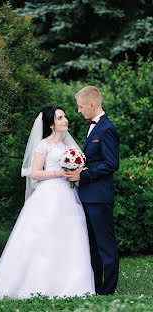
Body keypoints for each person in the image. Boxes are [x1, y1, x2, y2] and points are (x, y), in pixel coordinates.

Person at [0, 105, 95, 300]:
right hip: (48, 195)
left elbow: (79, 170)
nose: (65, 120)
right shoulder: (43, 145)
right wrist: (59, 172)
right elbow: (35, 173)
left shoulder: (70, 147)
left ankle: (71, 284)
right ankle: (39, 283)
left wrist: (74, 174)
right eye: (60, 118)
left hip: (68, 197)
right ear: (51, 124)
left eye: (65, 117)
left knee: (69, 236)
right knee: (44, 237)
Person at [65, 86, 119, 295]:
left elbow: (111, 163)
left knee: (106, 246)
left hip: (99, 196)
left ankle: (109, 289)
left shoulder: (107, 129)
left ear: (92, 105)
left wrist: (83, 175)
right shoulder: (92, 127)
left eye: (80, 107)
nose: (79, 111)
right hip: (86, 196)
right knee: (92, 247)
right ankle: (95, 286)